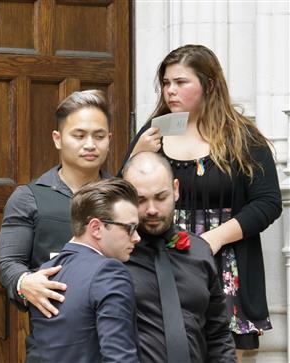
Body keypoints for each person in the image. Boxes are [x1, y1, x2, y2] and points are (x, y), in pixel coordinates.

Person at [120, 44, 282, 360]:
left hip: (224, 261)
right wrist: (137, 153)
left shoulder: (242, 136)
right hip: (158, 259)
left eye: (181, 82)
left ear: (208, 85)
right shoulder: (153, 133)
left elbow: (267, 202)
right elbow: (120, 200)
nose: (170, 91)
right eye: (166, 83)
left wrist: (212, 240)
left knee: (223, 351)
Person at [0, 89, 112, 360]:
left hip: (115, 337)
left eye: (99, 136)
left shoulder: (122, 198)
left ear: (110, 139)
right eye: (79, 135)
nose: (90, 144)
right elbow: (8, 264)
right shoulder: (29, 198)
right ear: (58, 139)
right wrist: (25, 282)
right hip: (53, 341)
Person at [122, 151, 236, 362]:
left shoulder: (200, 253)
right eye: (140, 200)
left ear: (175, 190)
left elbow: (219, 334)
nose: (152, 209)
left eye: (160, 197)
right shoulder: (113, 256)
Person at [29, 178, 141, 362]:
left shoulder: (46, 272)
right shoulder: (109, 273)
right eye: (130, 228)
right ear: (96, 228)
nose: (137, 237)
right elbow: (119, 357)